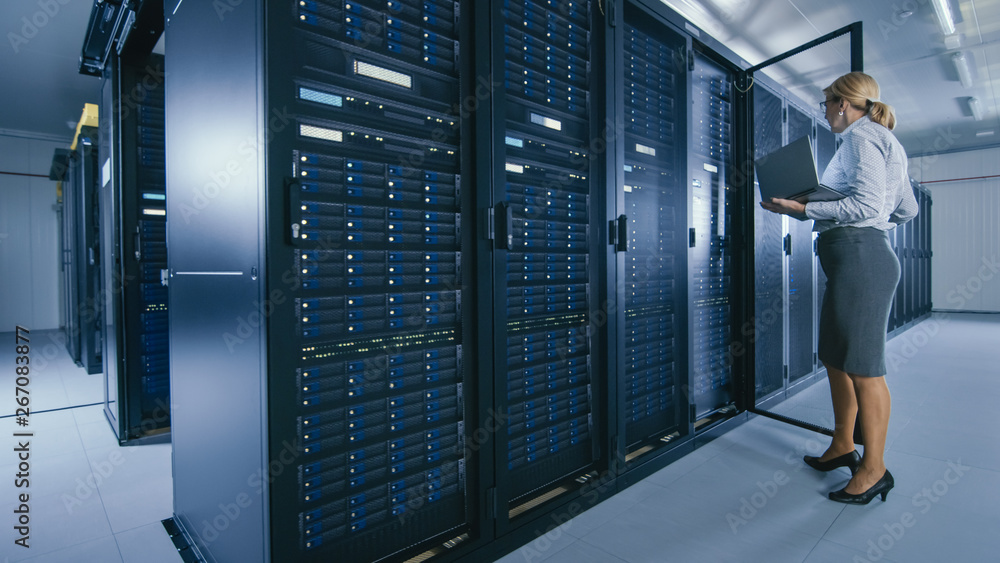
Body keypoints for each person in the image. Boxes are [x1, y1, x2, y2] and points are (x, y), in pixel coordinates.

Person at [761, 71, 918, 504]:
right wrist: (826, 211)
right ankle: (842, 445)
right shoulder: (885, 140)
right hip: (857, 255)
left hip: (861, 259)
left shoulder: (860, 138)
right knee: (836, 358)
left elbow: (868, 205)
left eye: (826, 103)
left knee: (865, 369)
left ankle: (874, 469)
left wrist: (807, 208)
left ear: (843, 104)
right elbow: (906, 208)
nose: (825, 110)